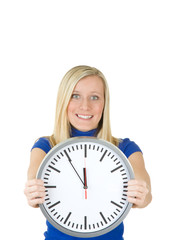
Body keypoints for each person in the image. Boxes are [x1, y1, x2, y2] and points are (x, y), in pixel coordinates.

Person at [24, 65, 152, 240]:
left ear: (104, 104)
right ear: (64, 100)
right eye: (75, 96)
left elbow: (146, 194)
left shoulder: (126, 149)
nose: (85, 106)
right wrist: (32, 192)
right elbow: (33, 178)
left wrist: (141, 193)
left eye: (95, 97)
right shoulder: (45, 146)